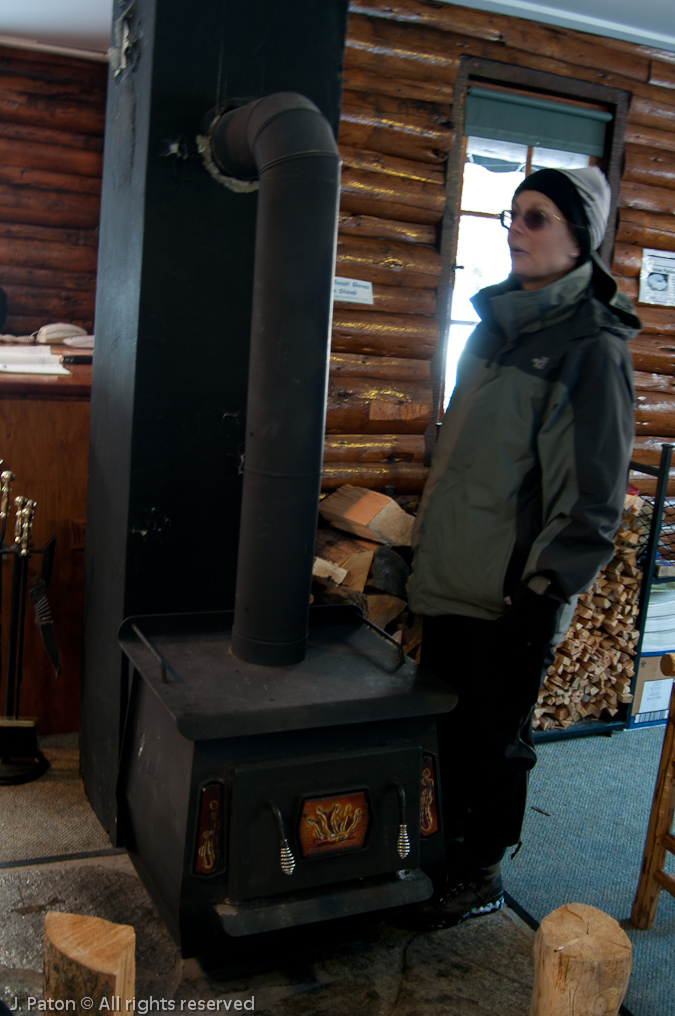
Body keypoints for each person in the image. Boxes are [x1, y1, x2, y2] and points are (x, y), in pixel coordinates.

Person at [407, 165, 639, 928]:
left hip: (509, 597)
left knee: (491, 743)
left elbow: (593, 498)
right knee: (441, 733)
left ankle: (478, 874)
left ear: (580, 238)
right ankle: (438, 855)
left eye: (535, 217)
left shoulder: (588, 347)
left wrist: (540, 598)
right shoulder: (498, 326)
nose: (515, 229)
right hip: (449, 579)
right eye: (512, 214)